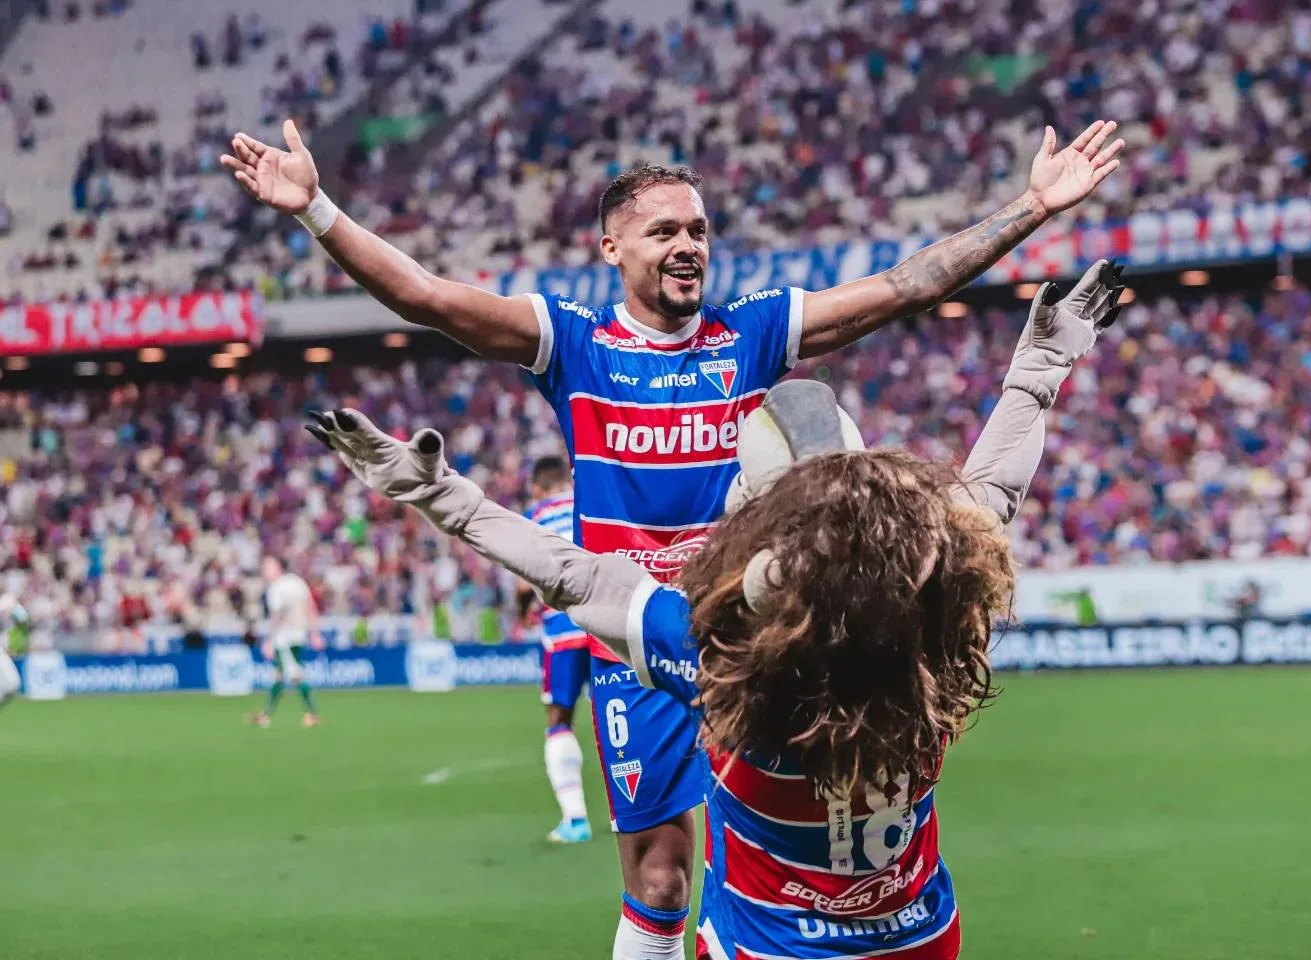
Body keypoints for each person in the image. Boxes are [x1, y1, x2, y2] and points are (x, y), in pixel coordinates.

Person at [227, 116, 1123, 959]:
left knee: (797, 838)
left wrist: (1033, 209)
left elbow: (905, 288)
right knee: (661, 879)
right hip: (646, 638)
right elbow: (426, 298)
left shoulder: (755, 332)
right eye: (663, 231)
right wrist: (315, 209)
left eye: (697, 229)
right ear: (611, 249)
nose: (688, 244)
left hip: (764, 634)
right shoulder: (572, 342)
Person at [516, 455, 594, 844]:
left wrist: (523, 609)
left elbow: (520, 578)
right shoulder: (591, 500)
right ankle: (638, 810)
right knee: (622, 714)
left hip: (563, 628)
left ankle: (575, 820)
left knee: (559, 719)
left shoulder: (534, 514)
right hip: (604, 622)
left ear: (536, 487)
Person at [250, 555, 323, 728]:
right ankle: (266, 714)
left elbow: (277, 616)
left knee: (295, 675)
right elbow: (310, 607)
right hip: (299, 635)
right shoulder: (298, 582)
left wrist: (269, 640)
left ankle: (313, 713)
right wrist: (314, 633)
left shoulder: (277, 588)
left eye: (268, 567)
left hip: (284, 639)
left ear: (277, 568)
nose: (265, 571)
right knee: (278, 675)